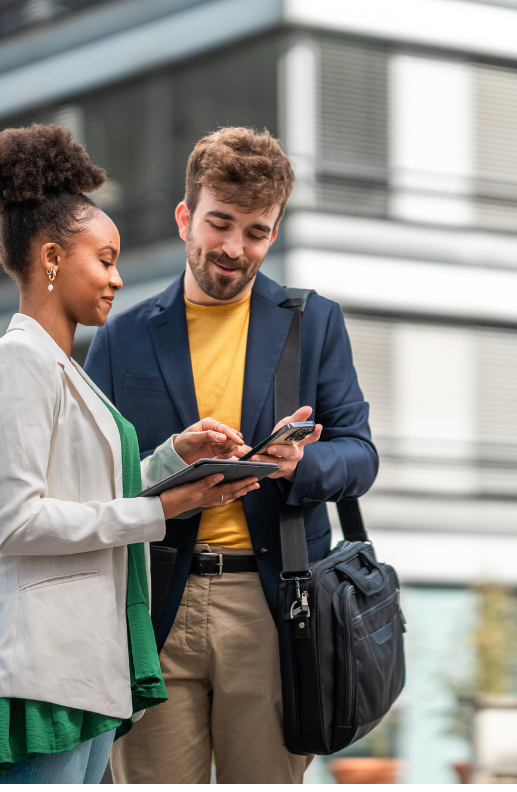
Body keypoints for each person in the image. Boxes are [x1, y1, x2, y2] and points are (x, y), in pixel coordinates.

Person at [0, 124, 261, 784]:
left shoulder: (62, 368)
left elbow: (88, 497)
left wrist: (175, 461)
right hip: (39, 670)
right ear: (54, 257)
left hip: (82, 667)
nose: (118, 279)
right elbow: (18, 522)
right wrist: (162, 511)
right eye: (106, 258)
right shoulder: (18, 365)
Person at [85, 127, 379, 783]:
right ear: (186, 217)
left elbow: (361, 456)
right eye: (220, 224)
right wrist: (166, 463)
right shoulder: (121, 336)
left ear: (273, 233)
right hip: (152, 606)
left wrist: (300, 465)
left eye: (256, 231)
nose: (235, 248)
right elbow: (90, 486)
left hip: (273, 609)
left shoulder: (314, 322)